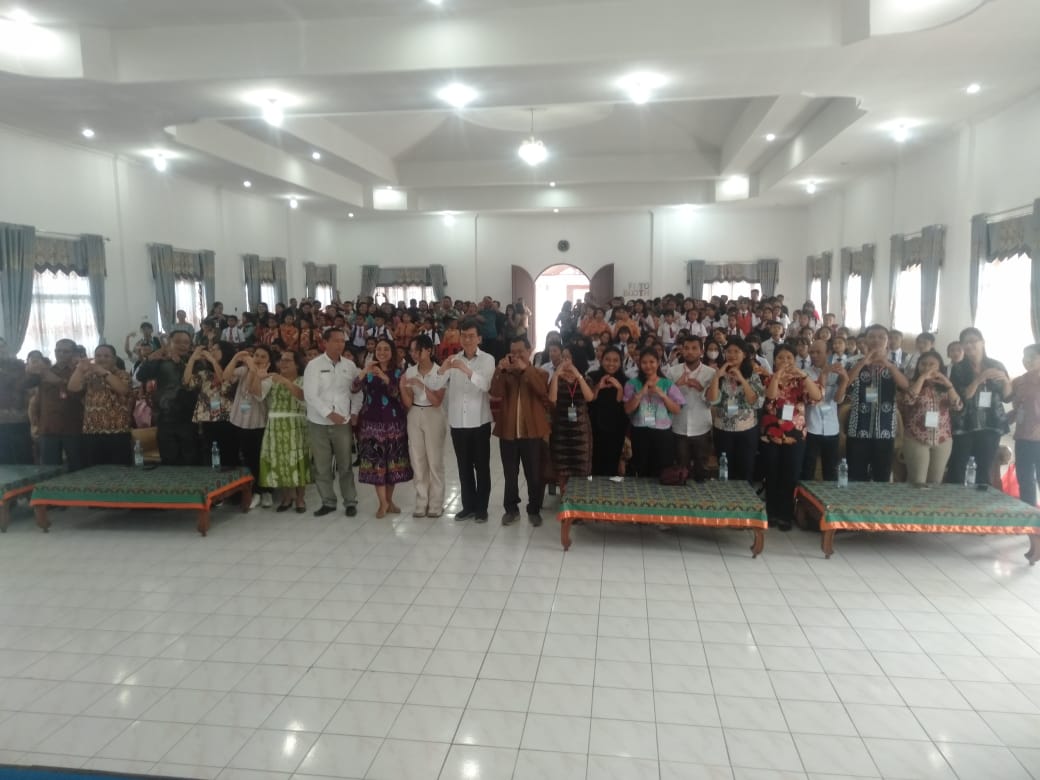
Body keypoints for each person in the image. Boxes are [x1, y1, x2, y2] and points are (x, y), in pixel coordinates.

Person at [438, 318, 495, 522]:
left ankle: (481, 508)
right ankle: (468, 506)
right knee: (463, 467)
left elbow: (486, 385)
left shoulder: (487, 360)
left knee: (481, 466)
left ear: (479, 338)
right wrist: (443, 369)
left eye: (471, 336)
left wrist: (466, 370)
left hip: (479, 422)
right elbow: (437, 383)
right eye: (464, 335)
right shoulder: (453, 359)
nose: (467, 339)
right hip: (457, 423)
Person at [490, 335, 551, 526]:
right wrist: (500, 370)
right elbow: (496, 392)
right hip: (508, 432)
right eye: (512, 352)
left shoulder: (539, 373)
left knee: (533, 473)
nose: (516, 356)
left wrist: (526, 370)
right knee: (510, 473)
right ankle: (511, 509)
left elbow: (542, 391)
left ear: (529, 350)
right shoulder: (505, 373)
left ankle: (533, 509)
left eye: (520, 352)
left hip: (531, 432)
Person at [760, 345, 822, 529]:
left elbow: (817, 396)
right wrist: (777, 376)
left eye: (789, 358)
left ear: (794, 361)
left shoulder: (802, 381)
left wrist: (802, 376)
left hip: (796, 435)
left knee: (790, 475)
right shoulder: (768, 379)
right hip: (771, 434)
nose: (785, 361)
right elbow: (770, 397)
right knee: (771, 474)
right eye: (780, 358)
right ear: (774, 360)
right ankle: (771, 513)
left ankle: (786, 515)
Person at [303, 328, 361, 517]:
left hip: (342, 421)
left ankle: (350, 501)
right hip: (318, 422)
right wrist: (329, 414)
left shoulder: (350, 366)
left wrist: (354, 412)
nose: (340, 345)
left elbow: (356, 391)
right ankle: (327, 501)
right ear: (325, 343)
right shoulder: (314, 365)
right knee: (322, 465)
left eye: (342, 341)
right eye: (335, 341)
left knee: (345, 464)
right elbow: (310, 395)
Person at [353, 338, 413, 518]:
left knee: (392, 466)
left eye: (386, 349)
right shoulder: (368, 372)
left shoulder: (399, 372)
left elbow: (397, 394)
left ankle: (389, 500)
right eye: (379, 349)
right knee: (376, 465)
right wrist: (364, 371)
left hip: (394, 424)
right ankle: (383, 503)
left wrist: (385, 378)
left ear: (392, 352)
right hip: (371, 424)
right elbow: (354, 388)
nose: (382, 352)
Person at [845, 324, 910, 482]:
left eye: (882, 337)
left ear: (888, 341)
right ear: (865, 340)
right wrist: (862, 363)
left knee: (882, 474)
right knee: (856, 473)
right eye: (872, 336)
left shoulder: (897, 365)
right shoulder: (853, 363)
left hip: (885, 429)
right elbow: (845, 383)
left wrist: (889, 366)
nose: (876, 340)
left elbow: (906, 386)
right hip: (858, 428)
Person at [947, 327, 1010, 486]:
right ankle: (955, 503)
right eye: (965, 342)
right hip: (965, 424)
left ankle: (981, 504)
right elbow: (963, 397)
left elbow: (1007, 397)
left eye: (973, 341)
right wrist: (979, 378)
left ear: (982, 342)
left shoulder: (997, 365)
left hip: (991, 423)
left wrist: (1005, 381)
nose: (969, 345)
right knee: (958, 466)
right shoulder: (959, 368)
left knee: (985, 467)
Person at [400, 335, 447, 518]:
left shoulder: (439, 371)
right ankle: (421, 501)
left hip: (433, 414)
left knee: (434, 461)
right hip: (414, 414)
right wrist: (404, 388)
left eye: (417, 350)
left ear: (429, 350)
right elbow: (408, 402)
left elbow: (437, 401)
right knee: (417, 459)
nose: (414, 355)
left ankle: (436, 503)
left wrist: (421, 385)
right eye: (411, 351)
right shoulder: (409, 372)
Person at [705, 338, 764, 482]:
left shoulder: (753, 375)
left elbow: (755, 402)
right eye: (728, 351)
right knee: (725, 471)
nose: (732, 355)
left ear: (744, 354)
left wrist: (742, 379)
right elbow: (711, 399)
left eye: (736, 351)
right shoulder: (719, 375)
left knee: (746, 470)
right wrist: (717, 377)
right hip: (722, 430)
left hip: (747, 430)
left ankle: (746, 502)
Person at [136, 331, 199, 465]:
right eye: (177, 342)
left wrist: (179, 363)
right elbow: (141, 376)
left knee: (191, 457)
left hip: (189, 417)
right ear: (170, 342)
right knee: (169, 458)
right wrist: (151, 358)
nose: (182, 345)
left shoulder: (195, 360)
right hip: (165, 416)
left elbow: (194, 383)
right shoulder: (161, 360)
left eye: (186, 342)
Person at [899, 350, 962, 485]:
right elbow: (908, 400)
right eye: (923, 364)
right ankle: (913, 506)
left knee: (935, 481)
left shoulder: (946, 386)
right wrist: (921, 378)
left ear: (939, 366)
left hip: (943, 439)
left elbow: (957, 406)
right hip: (916, 438)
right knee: (917, 481)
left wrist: (948, 384)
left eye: (932, 364)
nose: (927, 368)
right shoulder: (911, 383)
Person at [260, 350, 311, 513]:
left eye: (288, 360)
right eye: (281, 360)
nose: (283, 363)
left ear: (297, 364)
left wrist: (284, 381)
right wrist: (257, 374)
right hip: (275, 424)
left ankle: (300, 498)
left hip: (296, 423)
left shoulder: (304, 380)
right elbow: (255, 394)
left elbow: (302, 397)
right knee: (280, 460)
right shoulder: (272, 380)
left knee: (297, 461)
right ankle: (287, 497)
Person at [224, 346, 274, 508]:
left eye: (263, 357)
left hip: (258, 423)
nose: (258, 358)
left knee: (259, 460)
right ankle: (250, 491)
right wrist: (236, 358)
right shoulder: (244, 370)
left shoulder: (268, 377)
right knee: (245, 459)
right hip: (239, 420)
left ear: (269, 362)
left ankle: (263, 492)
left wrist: (253, 370)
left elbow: (256, 392)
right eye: (256, 355)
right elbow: (226, 377)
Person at [623, 348, 684, 478]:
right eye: (644, 362)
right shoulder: (632, 383)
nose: (648, 365)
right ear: (639, 364)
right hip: (640, 432)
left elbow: (677, 410)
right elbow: (627, 409)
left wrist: (663, 395)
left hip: (662, 433)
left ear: (658, 363)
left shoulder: (667, 384)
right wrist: (641, 393)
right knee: (641, 470)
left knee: (662, 471)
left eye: (652, 362)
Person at [67, 344, 133, 466]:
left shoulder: (123, 375)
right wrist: (80, 369)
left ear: (114, 359)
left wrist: (104, 373)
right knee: (94, 472)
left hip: (117, 434)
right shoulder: (90, 375)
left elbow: (123, 390)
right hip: (91, 433)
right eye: (98, 356)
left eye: (106, 356)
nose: (102, 358)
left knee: (120, 473)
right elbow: (72, 387)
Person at [666, 336, 716, 482]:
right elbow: (664, 399)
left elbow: (712, 401)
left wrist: (701, 389)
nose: (690, 352)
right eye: (686, 348)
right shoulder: (672, 372)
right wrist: (677, 384)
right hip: (678, 426)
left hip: (702, 426)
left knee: (702, 471)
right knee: (681, 471)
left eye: (694, 348)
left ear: (701, 351)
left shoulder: (710, 373)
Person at [548, 347, 594, 495]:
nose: (564, 361)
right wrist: (555, 376)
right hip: (561, 430)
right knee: (562, 469)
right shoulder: (557, 378)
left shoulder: (586, 379)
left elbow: (589, 397)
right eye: (563, 357)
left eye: (568, 357)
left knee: (581, 469)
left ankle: (578, 507)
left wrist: (577, 375)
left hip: (580, 431)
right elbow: (552, 399)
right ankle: (565, 506)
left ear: (576, 360)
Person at [802, 338, 849, 481]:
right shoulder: (805, 374)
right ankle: (803, 500)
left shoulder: (837, 372)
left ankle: (829, 501)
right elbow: (815, 397)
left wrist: (845, 380)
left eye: (818, 352)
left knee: (830, 470)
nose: (814, 355)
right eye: (811, 352)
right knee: (807, 468)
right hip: (811, 427)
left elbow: (838, 399)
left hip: (831, 428)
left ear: (828, 353)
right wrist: (823, 374)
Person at [184, 342, 236, 468]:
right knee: (210, 454)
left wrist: (213, 360)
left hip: (227, 419)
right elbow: (187, 382)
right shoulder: (205, 374)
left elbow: (225, 382)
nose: (211, 351)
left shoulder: (233, 370)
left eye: (215, 349)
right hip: (208, 418)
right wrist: (192, 359)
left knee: (228, 455)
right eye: (210, 349)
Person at [586, 346, 629, 476]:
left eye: (615, 360)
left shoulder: (626, 381)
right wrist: (598, 387)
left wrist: (620, 389)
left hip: (616, 430)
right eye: (607, 359)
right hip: (595, 428)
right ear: (601, 360)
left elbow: (624, 408)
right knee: (594, 464)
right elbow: (588, 402)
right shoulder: (592, 377)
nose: (611, 363)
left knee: (612, 466)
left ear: (620, 362)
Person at [1011, 344, 1040, 507]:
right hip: (1022, 437)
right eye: (1024, 357)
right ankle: (1029, 516)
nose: (1026, 361)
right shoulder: (1020, 381)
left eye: (1032, 357)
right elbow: (1018, 407)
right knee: (1025, 478)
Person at [0, 339, 32, 464]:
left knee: (23, 456)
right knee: (4, 461)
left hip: (18, 419)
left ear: (7, 349)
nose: (0, 350)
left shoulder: (19, 366)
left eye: (2, 346)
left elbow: (24, 385)